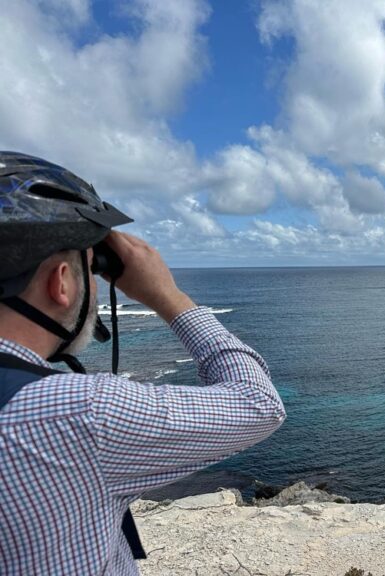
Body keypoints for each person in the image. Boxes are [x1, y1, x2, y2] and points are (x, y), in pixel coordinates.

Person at [0, 151, 286, 575]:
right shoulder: (78, 412)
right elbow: (260, 404)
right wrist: (168, 297)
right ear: (60, 282)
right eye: (90, 271)